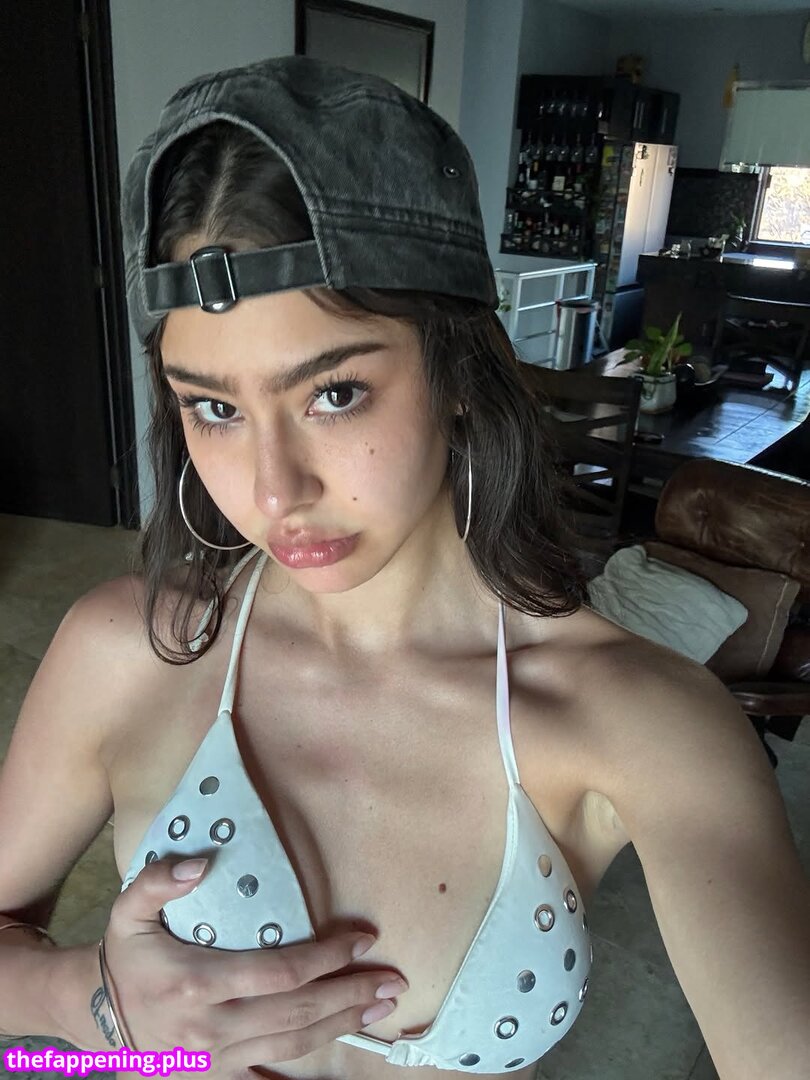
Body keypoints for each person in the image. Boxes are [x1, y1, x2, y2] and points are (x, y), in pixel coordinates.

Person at [0, 55, 807, 1080]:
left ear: (457, 371)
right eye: (214, 407)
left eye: (333, 393)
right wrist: (97, 1010)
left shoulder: (642, 721)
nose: (275, 490)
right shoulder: (132, 651)